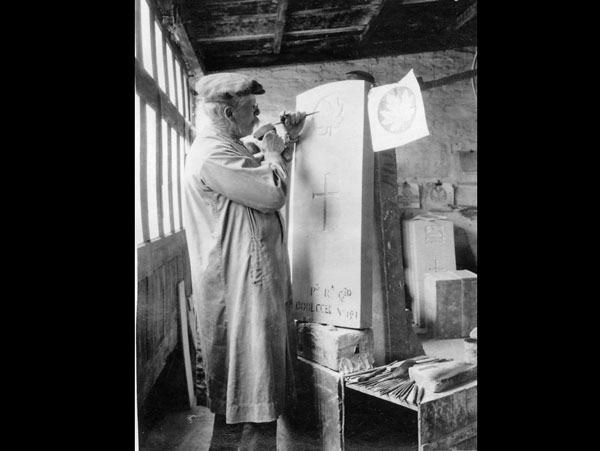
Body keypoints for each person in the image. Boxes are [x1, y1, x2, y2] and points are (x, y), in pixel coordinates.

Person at [182, 72, 306, 451]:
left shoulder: (225, 147)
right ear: (226, 111)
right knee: (255, 380)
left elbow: (251, 163)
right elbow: (270, 192)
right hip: (239, 281)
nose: (257, 115)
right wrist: (271, 151)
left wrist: (285, 141)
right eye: (251, 109)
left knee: (247, 381)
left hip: (243, 277)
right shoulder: (214, 153)